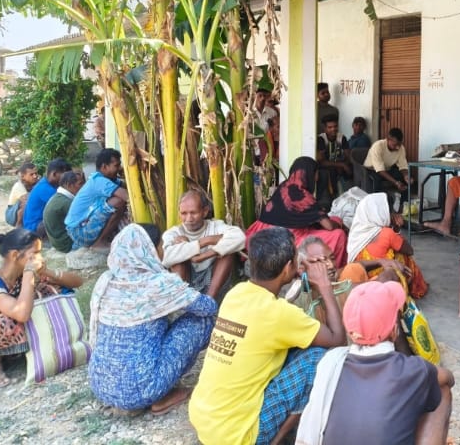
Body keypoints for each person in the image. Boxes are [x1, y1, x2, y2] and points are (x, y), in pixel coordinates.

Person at [189, 227, 347, 445]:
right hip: (237, 436)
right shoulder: (279, 314)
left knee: (296, 346)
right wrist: (325, 286)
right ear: (288, 267)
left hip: (205, 420)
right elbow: (337, 340)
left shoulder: (236, 294)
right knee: (318, 358)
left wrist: (296, 269)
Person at [296, 281, 455, 445]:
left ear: (349, 330)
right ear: (394, 330)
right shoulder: (412, 370)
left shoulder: (331, 361)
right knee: (441, 392)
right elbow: (448, 378)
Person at [89, 224, 217, 414]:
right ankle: (160, 396)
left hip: (101, 385)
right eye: (161, 246)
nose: (163, 250)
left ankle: (136, 394)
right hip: (142, 390)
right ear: (150, 250)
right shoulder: (158, 283)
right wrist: (181, 287)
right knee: (203, 320)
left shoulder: (106, 280)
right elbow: (208, 307)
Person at [0, 228, 83, 389]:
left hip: (8, 335)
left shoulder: (22, 274)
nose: (39, 258)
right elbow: (21, 314)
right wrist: (28, 275)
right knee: (9, 318)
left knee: (48, 289)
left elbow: (77, 282)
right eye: (35, 253)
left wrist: (47, 272)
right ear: (14, 255)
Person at [246, 157, 348, 268]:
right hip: (287, 239)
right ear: (310, 174)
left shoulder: (283, 186)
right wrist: (339, 224)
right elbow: (329, 226)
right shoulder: (303, 196)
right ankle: (334, 271)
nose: (317, 178)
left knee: (333, 220)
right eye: (316, 174)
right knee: (339, 235)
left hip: (264, 233)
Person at [161, 190, 246, 301]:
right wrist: (202, 243)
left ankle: (208, 301)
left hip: (213, 282)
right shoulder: (173, 233)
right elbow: (165, 258)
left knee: (227, 252)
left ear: (205, 212)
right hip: (186, 281)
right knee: (177, 257)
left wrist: (205, 252)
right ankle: (182, 302)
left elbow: (240, 237)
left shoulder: (216, 226)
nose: (189, 219)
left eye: (193, 213)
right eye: (184, 213)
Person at [347, 192, 428, 299]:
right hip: (384, 277)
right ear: (382, 212)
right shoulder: (387, 233)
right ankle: (413, 287)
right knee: (403, 256)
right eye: (390, 211)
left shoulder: (356, 232)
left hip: (362, 277)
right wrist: (397, 230)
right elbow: (410, 250)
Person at [65, 148, 129, 250]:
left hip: (77, 230)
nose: (119, 168)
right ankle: (100, 242)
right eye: (116, 166)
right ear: (104, 167)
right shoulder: (99, 181)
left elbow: (127, 186)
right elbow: (128, 197)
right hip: (79, 231)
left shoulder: (105, 179)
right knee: (118, 202)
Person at [22, 158, 72, 236]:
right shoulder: (45, 189)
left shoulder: (47, 183)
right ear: (54, 174)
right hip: (35, 227)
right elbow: (66, 205)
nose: (67, 180)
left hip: (35, 223)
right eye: (64, 177)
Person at [363, 127, 412, 205]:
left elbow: (403, 166)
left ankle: (404, 204)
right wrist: (396, 182)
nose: (397, 147)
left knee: (405, 178)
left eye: (399, 144)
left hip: (386, 169)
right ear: (388, 139)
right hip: (371, 170)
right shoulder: (378, 146)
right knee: (376, 180)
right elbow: (380, 170)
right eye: (395, 145)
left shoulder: (401, 148)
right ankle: (381, 204)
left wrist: (406, 176)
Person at [43, 170, 86, 253]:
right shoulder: (66, 203)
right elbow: (84, 222)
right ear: (69, 185)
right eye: (80, 184)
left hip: (58, 242)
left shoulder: (59, 197)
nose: (83, 187)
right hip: (66, 244)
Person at [316, 115, 352, 208]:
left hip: (339, 164)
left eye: (335, 126)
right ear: (325, 128)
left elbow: (348, 156)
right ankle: (333, 198)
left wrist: (345, 164)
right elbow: (321, 162)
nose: (333, 129)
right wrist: (341, 165)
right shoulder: (321, 139)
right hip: (327, 166)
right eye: (330, 127)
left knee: (351, 170)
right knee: (331, 171)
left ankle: (348, 197)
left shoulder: (341, 138)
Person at [5, 162, 39, 227]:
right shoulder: (18, 185)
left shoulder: (36, 182)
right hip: (11, 214)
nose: (35, 176)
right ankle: (19, 226)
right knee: (26, 203)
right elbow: (29, 201)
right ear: (23, 176)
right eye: (31, 174)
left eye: (36, 173)